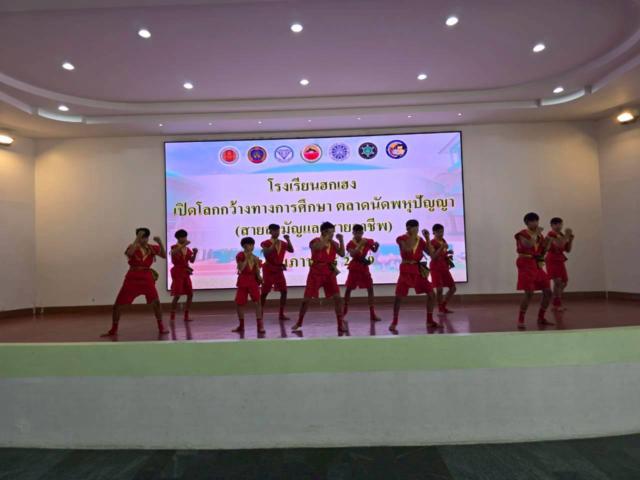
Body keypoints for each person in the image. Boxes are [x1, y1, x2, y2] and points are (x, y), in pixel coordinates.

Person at [102, 228, 168, 337]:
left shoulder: (151, 247)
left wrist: (160, 242)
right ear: (138, 237)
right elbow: (129, 253)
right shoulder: (132, 246)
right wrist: (137, 238)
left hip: (147, 277)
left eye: (145, 237)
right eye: (141, 237)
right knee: (118, 304)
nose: (144, 240)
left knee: (156, 302)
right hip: (132, 277)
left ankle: (161, 327)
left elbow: (164, 256)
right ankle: (113, 329)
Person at [291, 221, 347, 335]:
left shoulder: (334, 243)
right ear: (324, 232)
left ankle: (340, 324)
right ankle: (299, 322)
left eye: (333, 232)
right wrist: (326, 238)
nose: (332, 234)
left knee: (337, 298)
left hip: (329, 273)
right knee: (306, 300)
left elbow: (342, 254)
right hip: (315, 273)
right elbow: (318, 247)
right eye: (331, 232)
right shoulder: (315, 241)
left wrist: (341, 241)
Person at [389, 219, 438, 334]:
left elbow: (432, 255)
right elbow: (407, 249)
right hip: (406, 269)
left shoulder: (420, 240)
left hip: (417, 269)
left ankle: (429, 320)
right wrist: (414, 235)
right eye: (410, 228)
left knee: (431, 294)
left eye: (414, 228)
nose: (412, 229)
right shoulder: (401, 238)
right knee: (398, 297)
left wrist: (427, 238)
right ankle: (394, 321)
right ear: (408, 228)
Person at [515, 212, 554, 329]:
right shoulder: (522, 234)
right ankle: (521, 319)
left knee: (548, 291)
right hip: (525, 263)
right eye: (533, 221)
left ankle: (541, 317)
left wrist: (548, 241)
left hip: (536, 263)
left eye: (537, 221)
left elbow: (543, 251)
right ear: (527, 222)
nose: (536, 223)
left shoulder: (539, 235)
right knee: (529, 293)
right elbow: (528, 244)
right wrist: (537, 234)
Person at [343, 224, 380, 321]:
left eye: (360, 233)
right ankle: (344, 311)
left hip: (364, 267)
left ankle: (372, 313)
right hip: (355, 267)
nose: (359, 235)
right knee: (349, 289)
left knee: (370, 288)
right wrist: (360, 245)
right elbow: (352, 254)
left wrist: (376, 246)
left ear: (362, 232)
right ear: (353, 233)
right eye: (357, 233)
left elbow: (374, 249)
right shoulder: (350, 243)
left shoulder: (367, 241)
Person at [260, 224, 294, 320]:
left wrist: (288, 240)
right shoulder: (265, 243)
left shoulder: (282, 243)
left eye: (278, 231)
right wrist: (273, 244)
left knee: (284, 291)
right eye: (274, 231)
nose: (277, 233)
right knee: (264, 292)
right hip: (268, 269)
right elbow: (266, 254)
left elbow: (291, 250)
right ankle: (260, 313)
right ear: (270, 232)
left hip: (278, 269)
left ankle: (281, 314)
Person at [233, 237, 265, 335]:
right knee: (240, 303)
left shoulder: (255, 257)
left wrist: (260, 277)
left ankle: (260, 325)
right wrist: (247, 258)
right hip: (243, 280)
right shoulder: (240, 255)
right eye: (249, 245)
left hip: (252, 282)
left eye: (252, 245)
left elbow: (257, 271)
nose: (251, 247)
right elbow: (241, 269)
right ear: (244, 246)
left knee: (258, 302)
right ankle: (241, 325)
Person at [545, 218, 574, 311]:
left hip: (560, 260)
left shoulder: (562, 235)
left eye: (560, 224)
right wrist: (567, 235)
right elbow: (560, 244)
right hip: (552, 259)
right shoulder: (551, 234)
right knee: (557, 281)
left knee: (564, 282)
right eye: (556, 224)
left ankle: (555, 301)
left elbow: (567, 250)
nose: (558, 226)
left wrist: (570, 240)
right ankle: (557, 304)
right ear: (551, 226)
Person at [169, 229, 198, 321]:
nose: (185, 238)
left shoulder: (187, 249)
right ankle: (172, 314)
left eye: (185, 237)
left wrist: (195, 253)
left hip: (185, 272)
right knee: (177, 295)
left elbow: (192, 261)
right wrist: (184, 244)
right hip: (177, 271)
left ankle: (186, 315)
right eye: (183, 237)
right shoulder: (174, 247)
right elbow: (173, 253)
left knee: (190, 294)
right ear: (178, 238)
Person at [430, 224, 457, 314]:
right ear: (434, 232)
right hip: (435, 267)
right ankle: (440, 308)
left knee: (453, 288)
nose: (441, 234)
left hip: (444, 267)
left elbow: (442, 254)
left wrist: (448, 252)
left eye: (442, 231)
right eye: (438, 232)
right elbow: (433, 256)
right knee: (439, 289)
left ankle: (443, 306)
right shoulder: (432, 242)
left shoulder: (443, 241)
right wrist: (442, 247)